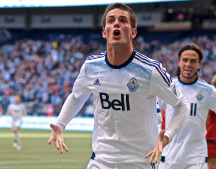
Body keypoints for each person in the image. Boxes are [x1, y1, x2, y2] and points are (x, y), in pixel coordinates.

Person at [48, 3, 190, 169]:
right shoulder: (91, 66)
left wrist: (167, 136)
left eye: (123, 20)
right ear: (104, 31)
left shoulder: (151, 70)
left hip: (139, 162)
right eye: (111, 20)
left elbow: (182, 106)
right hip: (101, 160)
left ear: (133, 32)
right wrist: (60, 124)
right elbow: (77, 96)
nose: (116, 23)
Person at [146, 43, 216, 169]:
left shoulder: (208, 91)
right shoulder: (168, 87)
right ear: (178, 62)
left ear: (200, 64)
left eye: (193, 61)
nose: (188, 64)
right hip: (169, 157)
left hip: (196, 158)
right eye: (185, 60)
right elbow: (150, 113)